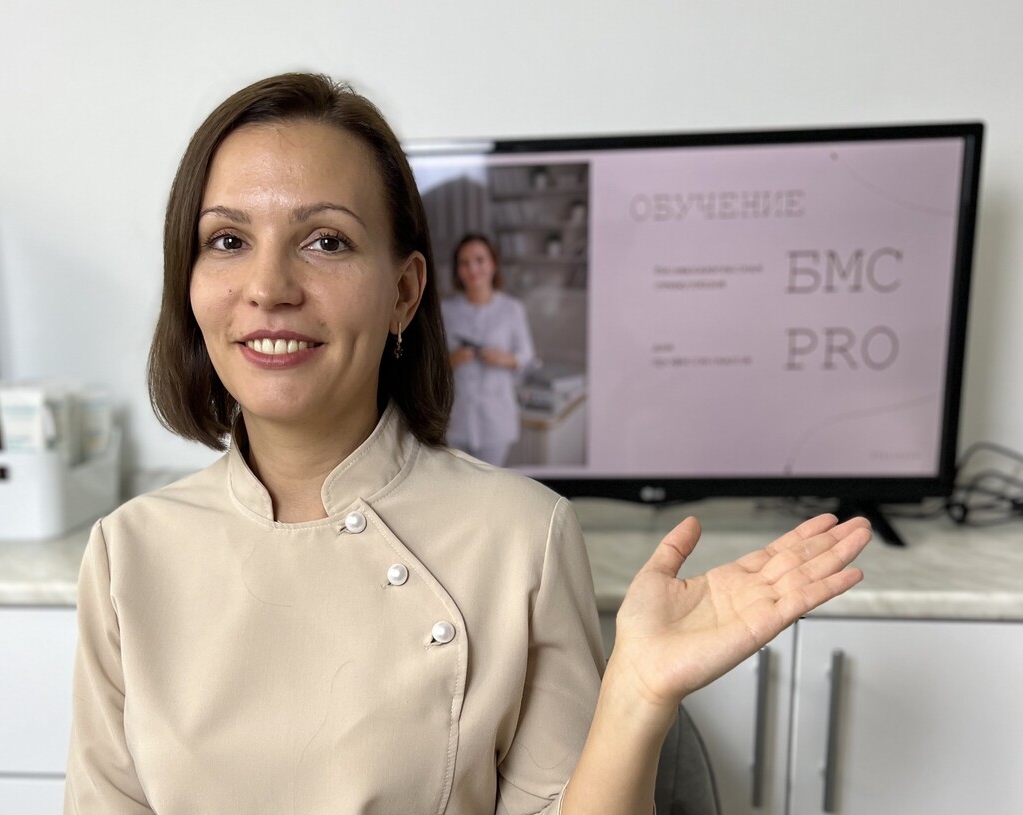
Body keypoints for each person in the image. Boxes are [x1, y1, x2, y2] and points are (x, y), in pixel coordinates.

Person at [64, 72, 871, 815]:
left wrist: (635, 696)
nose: (268, 287)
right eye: (227, 241)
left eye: (327, 241)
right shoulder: (128, 554)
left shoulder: (522, 535)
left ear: (404, 292)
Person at [442, 234, 535, 466]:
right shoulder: (446, 311)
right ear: (457, 270)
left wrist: (505, 358)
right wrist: (453, 358)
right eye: (464, 263)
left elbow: (527, 355)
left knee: (491, 485)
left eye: (479, 260)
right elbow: (432, 364)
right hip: (457, 420)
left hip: (496, 421)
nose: (472, 268)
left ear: (493, 263)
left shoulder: (512, 309)